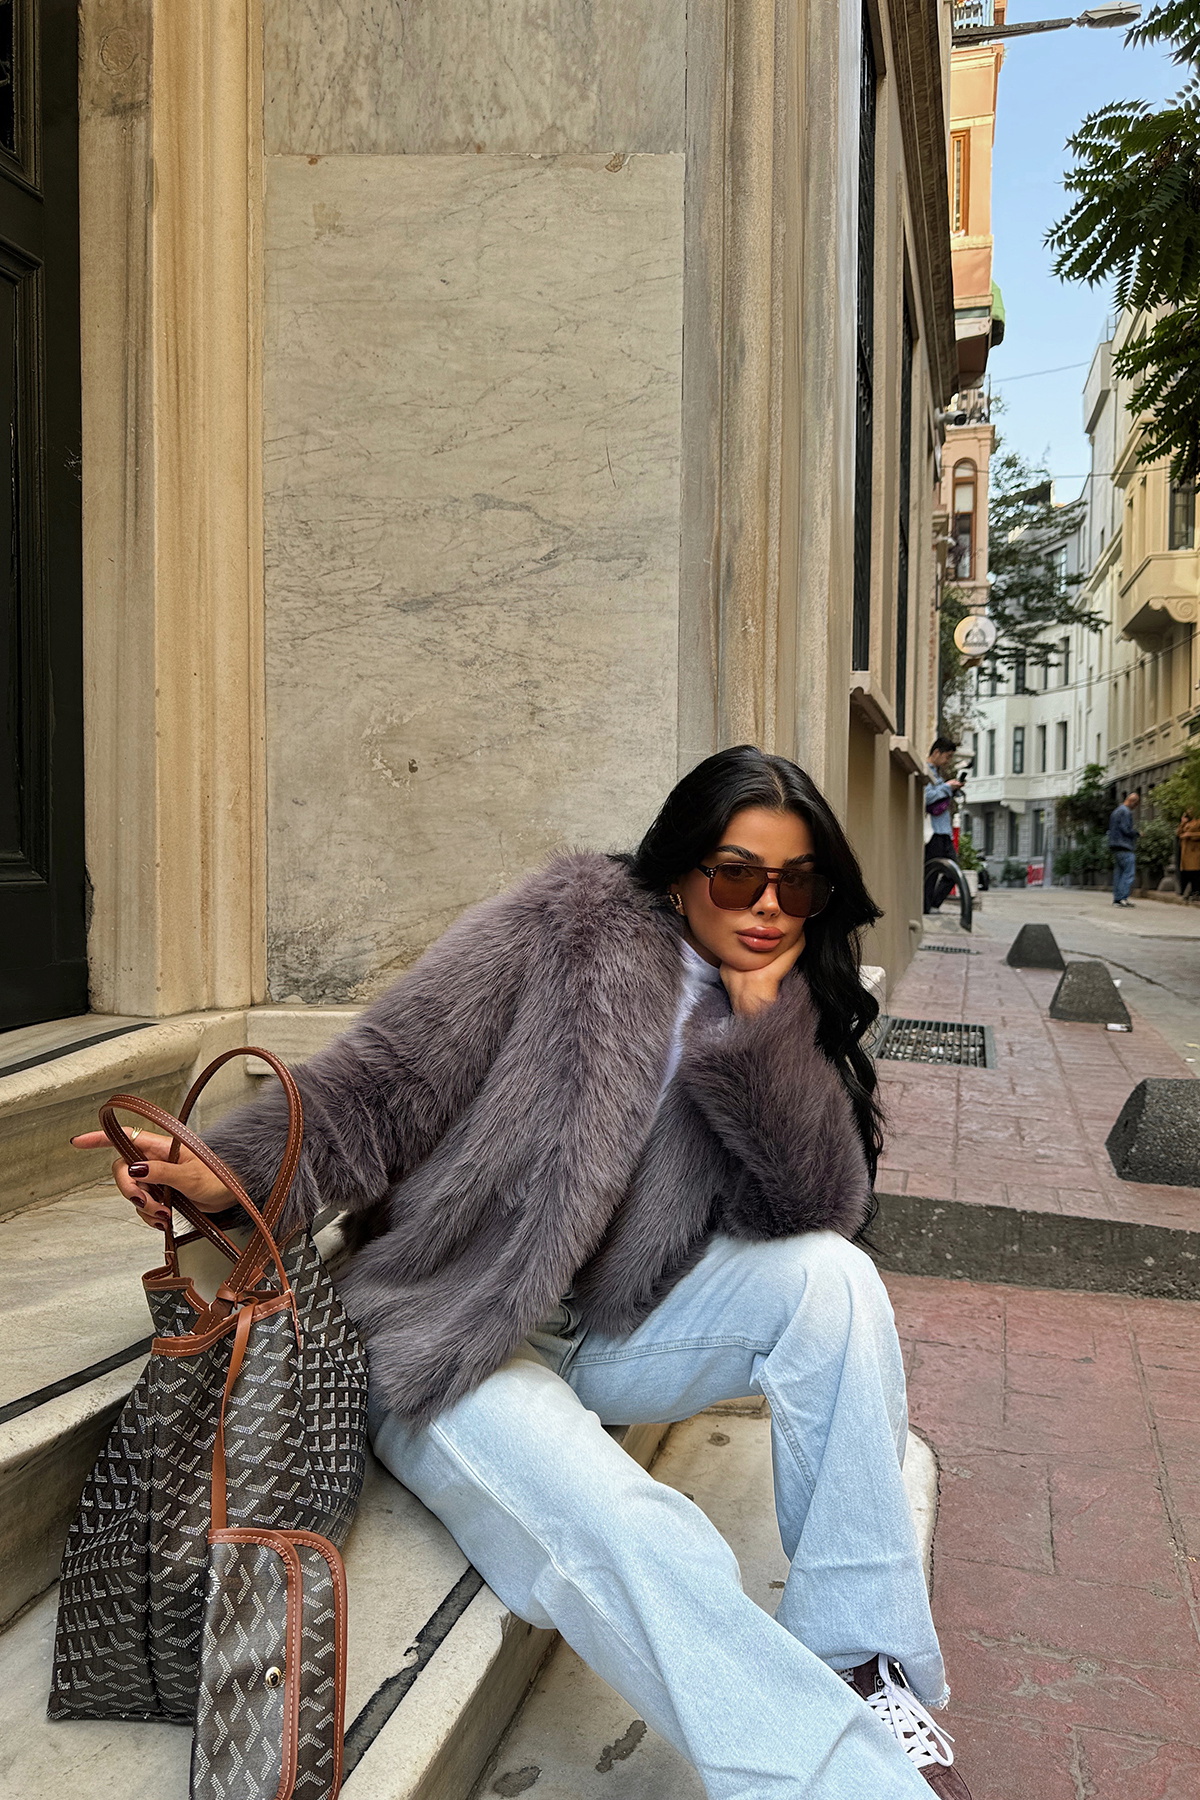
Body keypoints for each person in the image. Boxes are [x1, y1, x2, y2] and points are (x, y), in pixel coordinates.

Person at [73, 747, 971, 1800]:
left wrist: (766, 1033)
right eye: (738, 875)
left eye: (797, 882)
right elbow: (381, 1085)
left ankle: (863, 1662)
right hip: (450, 1329)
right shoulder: (563, 928)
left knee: (836, 1281)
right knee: (629, 1527)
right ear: (681, 868)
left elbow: (801, 1211)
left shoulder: (776, 999)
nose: (769, 906)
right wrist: (224, 1172)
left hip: (617, 1323)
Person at [924, 737, 963, 914]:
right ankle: (927, 907)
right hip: (933, 831)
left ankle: (933, 904)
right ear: (936, 752)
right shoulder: (926, 772)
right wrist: (947, 787)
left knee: (953, 871)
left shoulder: (937, 774)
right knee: (932, 872)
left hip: (944, 831)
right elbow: (927, 798)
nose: (948, 761)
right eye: (947, 756)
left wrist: (953, 789)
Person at [1108, 789, 1140, 907]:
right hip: (1124, 845)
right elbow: (1126, 829)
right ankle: (1122, 898)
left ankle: (1117, 899)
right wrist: (1137, 834)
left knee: (1119, 873)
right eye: (1136, 804)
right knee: (1128, 873)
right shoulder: (1125, 812)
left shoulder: (1116, 811)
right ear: (1132, 801)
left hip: (1115, 845)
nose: (1135, 807)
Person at [1177, 807, 1200, 901]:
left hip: (1195, 850)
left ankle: (1196, 892)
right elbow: (1178, 833)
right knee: (1186, 872)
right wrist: (1182, 823)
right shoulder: (1187, 823)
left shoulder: (1198, 822)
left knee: (1195, 871)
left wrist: (1190, 834)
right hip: (1185, 850)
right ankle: (1187, 892)